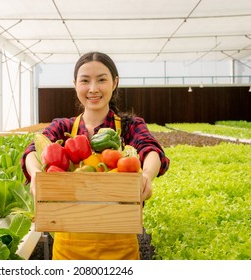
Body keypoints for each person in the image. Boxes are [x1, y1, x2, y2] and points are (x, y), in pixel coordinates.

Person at [21, 51, 170, 260]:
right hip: (68, 249)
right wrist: (37, 174)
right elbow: (31, 151)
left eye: (101, 80)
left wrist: (146, 175)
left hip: (120, 247)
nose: (93, 89)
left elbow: (151, 149)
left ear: (114, 82)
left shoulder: (130, 126)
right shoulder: (62, 127)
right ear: (75, 84)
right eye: (85, 81)